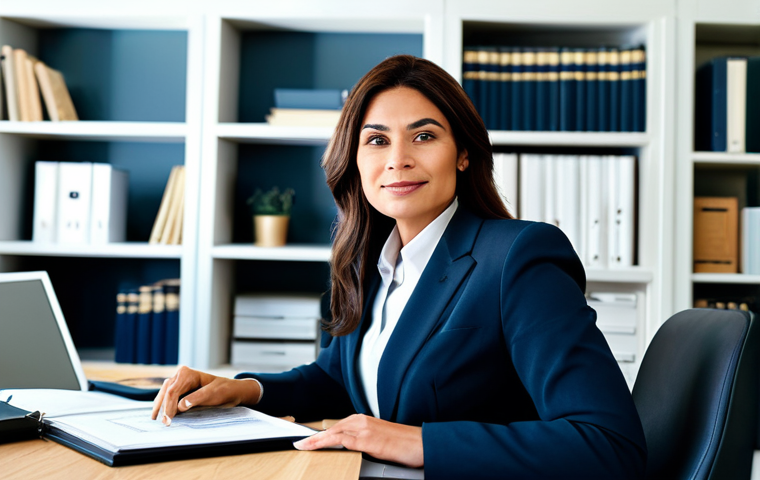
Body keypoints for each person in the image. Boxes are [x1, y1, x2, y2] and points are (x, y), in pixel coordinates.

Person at [152, 55, 646, 479]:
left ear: (464, 155)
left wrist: (416, 442)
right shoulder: (373, 260)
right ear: (356, 158)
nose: (398, 160)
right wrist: (245, 389)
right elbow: (342, 380)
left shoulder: (518, 256)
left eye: (424, 136)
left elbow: (607, 444)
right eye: (377, 140)